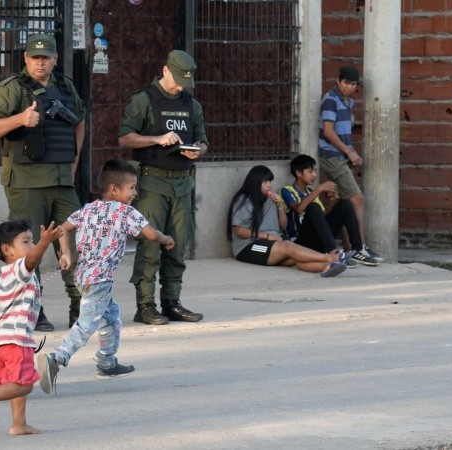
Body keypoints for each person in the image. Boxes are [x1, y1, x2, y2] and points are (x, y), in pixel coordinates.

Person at [36, 159, 175, 395]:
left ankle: (107, 363)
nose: (135, 193)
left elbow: (63, 229)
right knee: (88, 323)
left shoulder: (88, 208)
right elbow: (150, 234)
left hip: (83, 277)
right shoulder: (126, 212)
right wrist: (166, 238)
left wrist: (66, 254)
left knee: (111, 318)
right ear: (114, 189)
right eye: (131, 187)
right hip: (100, 280)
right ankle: (56, 359)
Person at [0, 33, 86, 332]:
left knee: (77, 241)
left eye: (46, 57)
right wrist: (20, 120)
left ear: (55, 58)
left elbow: (79, 121)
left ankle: (80, 306)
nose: (41, 63)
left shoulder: (65, 86)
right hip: (26, 182)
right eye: (35, 57)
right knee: (29, 248)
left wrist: (73, 164)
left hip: (61, 179)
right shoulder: (12, 88)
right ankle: (33, 310)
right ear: (26, 58)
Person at [118, 49, 207, 325]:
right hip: (152, 182)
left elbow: (203, 140)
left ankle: (172, 302)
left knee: (177, 246)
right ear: (166, 70)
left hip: (182, 183)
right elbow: (125, 138)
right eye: (178, 78)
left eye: (186, 81)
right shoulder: (143, 100)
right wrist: (156, 140)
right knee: (150, 244)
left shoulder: (192, 105)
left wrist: (198, 151)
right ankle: (145, 304)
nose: (181, 85)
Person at [0, 219, 64, 435]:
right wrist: (45, 242)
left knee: (14, 384)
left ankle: (18, 424)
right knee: (25, 385)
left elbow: (0, 305)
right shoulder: (20, 268)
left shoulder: (6, 277)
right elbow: (31, 260)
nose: (32, 246)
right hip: (16, 342)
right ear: (7, 250)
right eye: (27, 241)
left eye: (33, 241)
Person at [227, 166, 347, 277]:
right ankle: (331, 258)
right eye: (265, 182)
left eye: (270, 181)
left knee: (296, 258)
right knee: (288, 246)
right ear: (255, 182)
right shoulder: (244, 200)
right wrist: (269, 236)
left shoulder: (270, 199)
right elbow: (239, 231)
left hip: (273, 242)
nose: (269, 185)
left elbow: (282, 226)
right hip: (249, 246)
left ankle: (327, 267)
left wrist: (279, 206)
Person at [318, 65, 383, 263]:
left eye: (353, 84)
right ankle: (359, 248)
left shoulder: (348, 102)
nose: (349, 87)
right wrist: (349, 151)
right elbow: (328, 132)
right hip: (332, 156)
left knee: (344, 202)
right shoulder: (330, 100)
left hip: (342, 157)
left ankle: (349, 249)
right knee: (357, 200)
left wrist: (350, 154)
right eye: (346, 82)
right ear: (338, 80)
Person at [280, 154, 378, 266]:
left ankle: (357, 249)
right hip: (301, 243)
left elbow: (322, 218)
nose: (314, 175)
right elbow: (299, 209)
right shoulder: (286, 191)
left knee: (344, 204)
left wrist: (332, 204)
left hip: (319, 241)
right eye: (310, 172)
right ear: (298, 173)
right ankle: (334, 253)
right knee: (312, 207)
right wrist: (320, 188)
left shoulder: (311, 192)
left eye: (315, 171)